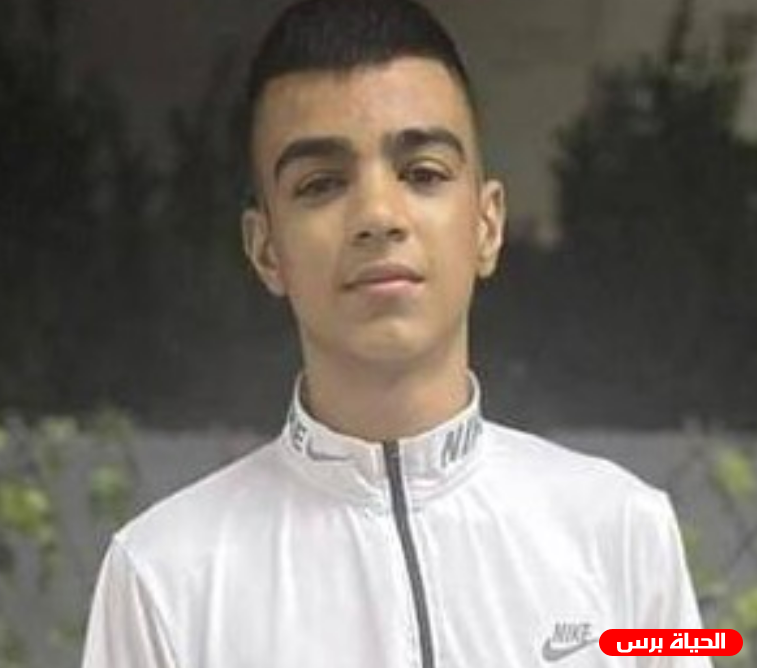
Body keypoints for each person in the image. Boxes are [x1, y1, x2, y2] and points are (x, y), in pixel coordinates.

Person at [81, 1, 711, 666]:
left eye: (423, 174)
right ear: (266, 249)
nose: (378, 215)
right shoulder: (162, 580)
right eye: (321, 184)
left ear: (487, 225)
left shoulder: (623, 533)